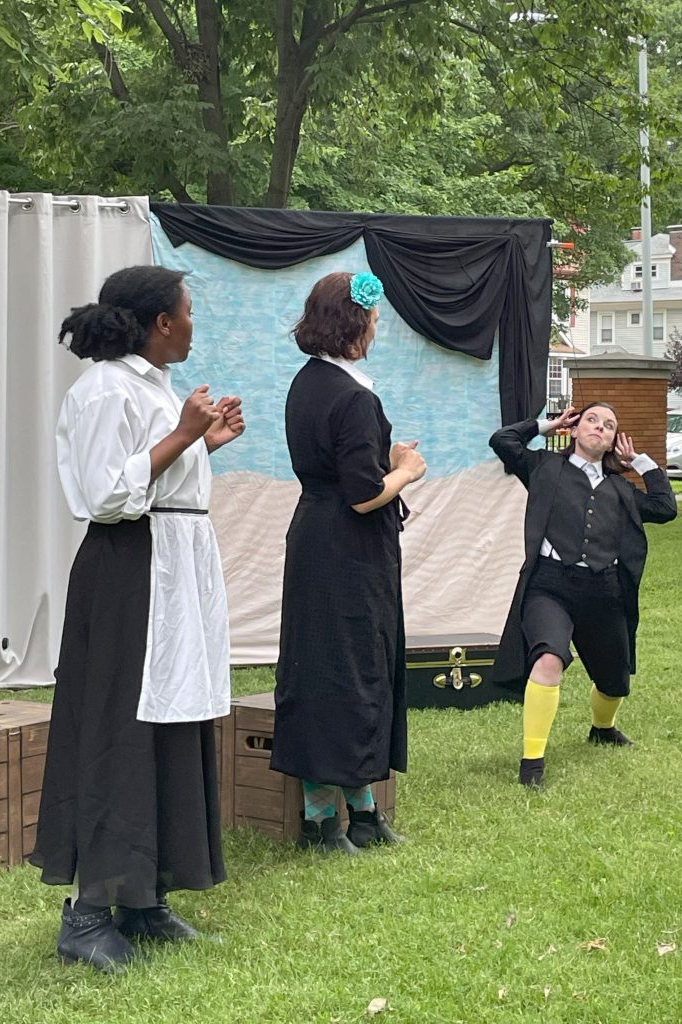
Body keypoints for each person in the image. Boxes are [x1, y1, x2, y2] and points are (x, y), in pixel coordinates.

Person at [30, 265, 245, 973]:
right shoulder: (103, 390)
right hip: (130, 569)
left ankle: (143, 897)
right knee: (119, 727)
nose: (192, 324)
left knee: (169, 723)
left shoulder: (150, 386)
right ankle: (88, 913)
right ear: (160, 321)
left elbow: (152, 474)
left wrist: (200, 445)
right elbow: (105, 494)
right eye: (186, 313)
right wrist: (183, 435)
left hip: (172, 562)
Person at [271, 270, 426, 854]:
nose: (378, 326)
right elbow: (364, 495)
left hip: (313, 539)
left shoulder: (305, 384)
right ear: (355, 323)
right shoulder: (356, 396)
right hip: (350, 550)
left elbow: (333, 465)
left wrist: (380, 456)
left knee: (322, 671)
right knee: (354, 670)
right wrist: (405, 471)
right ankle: (326, 823)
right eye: (374, 317)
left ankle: (356, 814)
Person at [489, 402, 677, 788]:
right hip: (550, 585)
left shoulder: (622, 489)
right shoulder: (543, 467)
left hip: (603, 590)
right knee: (548, 660)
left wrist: (639, 460)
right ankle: (532, 762)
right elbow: (502, 440)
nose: (600, 428)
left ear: (612, 442)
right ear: (575, 430)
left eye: (609, 425)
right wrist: (548, 424)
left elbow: (664, 507)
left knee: (614, 682)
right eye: (592, 420)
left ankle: (602, 728)